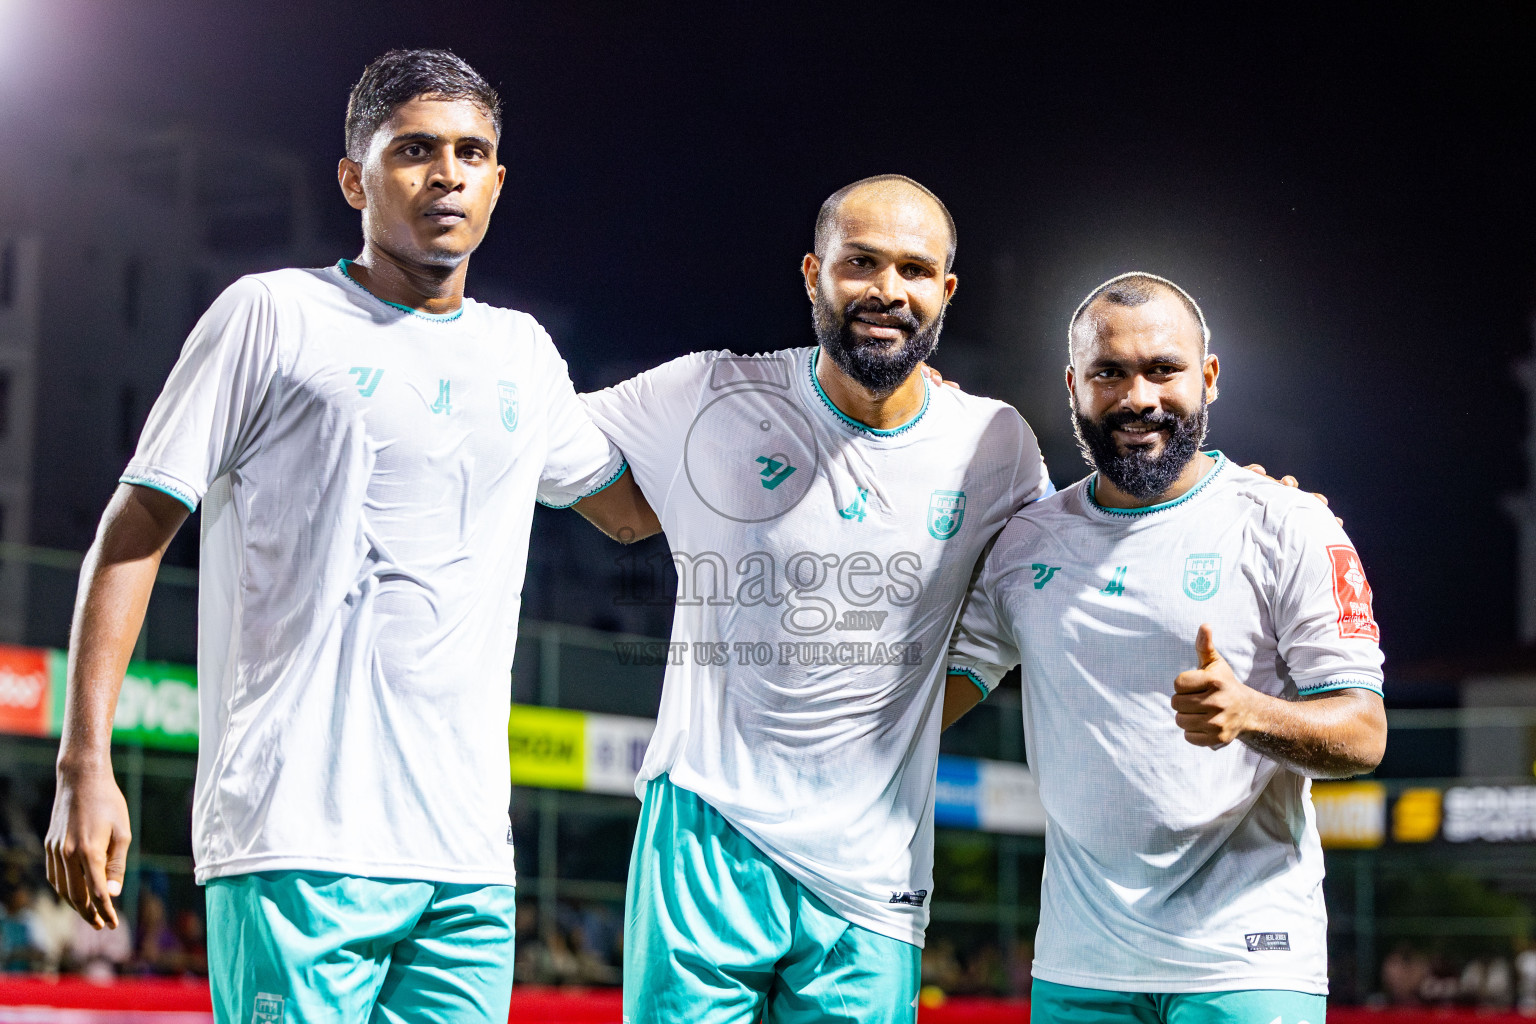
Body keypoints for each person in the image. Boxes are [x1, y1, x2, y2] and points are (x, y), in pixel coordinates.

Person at [42, 48, 657, 1023]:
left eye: (470, 151)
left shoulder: (522, 354)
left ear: (498, 181)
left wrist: (805, 410)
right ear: (353, 176)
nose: (446, 173)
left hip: (466, 861)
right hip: (296, 840)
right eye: (414, 149)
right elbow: (131, 535)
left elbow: (632, 509)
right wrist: (85, 765)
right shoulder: (271, 317)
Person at [581, 174, 1052, 1023]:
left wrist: (1245, 498)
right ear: (812, 273)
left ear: (945, 293)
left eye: (913, 270)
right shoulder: (710, 396)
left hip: (870, 874)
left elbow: (1044, 589)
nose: (886, 290)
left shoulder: (997, 446)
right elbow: (545, 443)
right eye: (860, 262)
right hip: (704, 836)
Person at [944, 272, 1387, 1022]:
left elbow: (1364, 735)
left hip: (1248, 960)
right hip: (1079, 967)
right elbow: (926, 705)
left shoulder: (1289, 524)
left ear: (1208, 378)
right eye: (1109, 373)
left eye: (1163, 369)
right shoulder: (1024, 545)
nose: (1137, 398)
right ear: (1074, 386)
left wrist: (1251, 714)